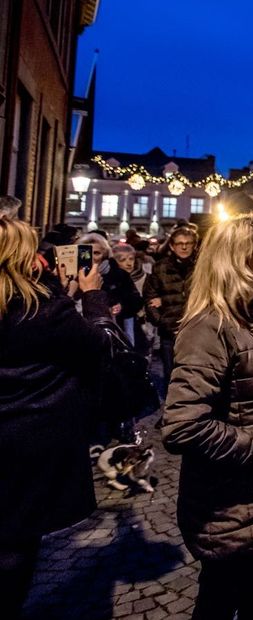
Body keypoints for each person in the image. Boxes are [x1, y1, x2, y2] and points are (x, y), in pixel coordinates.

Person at [161, 211, 253, 620]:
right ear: (242, 257)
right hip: (232, 505)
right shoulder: (210, 327)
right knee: (220, 603)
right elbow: (181, 425)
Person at [0, 217, 111, 617]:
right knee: (14, 546)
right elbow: (99, 345)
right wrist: (91, 298)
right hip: (28, 439)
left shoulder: (38, 306)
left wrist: (61, 297)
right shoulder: (38, 309)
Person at [143, 226, 198, 394]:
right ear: (172, 246)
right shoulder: (161, 268)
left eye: (188, 243)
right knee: (171, 373)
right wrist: (162, 321)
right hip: (170, 330)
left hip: (197, 329)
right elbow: (149, 298)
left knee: (195, 372)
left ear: (194, 245)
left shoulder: (202, 267)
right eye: (179, 243)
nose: (184, 247)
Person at [77, 233, 143, 325]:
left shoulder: (119, 274)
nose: (91, 257)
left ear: (104, 254)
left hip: (114, 325)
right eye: (86, 252)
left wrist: (121, 306)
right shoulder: (73, 275)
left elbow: (135, 300)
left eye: (96, 253)